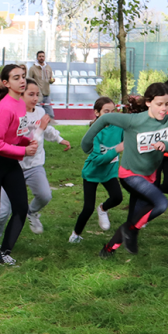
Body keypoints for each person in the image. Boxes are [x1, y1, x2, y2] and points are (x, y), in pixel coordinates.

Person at [81, 83, 168, 258]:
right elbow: (105, 119)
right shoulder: (133, 121)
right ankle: (131, 231)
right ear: (148, 103)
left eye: (167, 104)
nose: (164, 109)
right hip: (129, 175)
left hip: (150, 177)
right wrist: (86, 144)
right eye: (159, 104)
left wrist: (167, 145)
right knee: (161, 204)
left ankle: (108, 250)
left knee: (135, 219)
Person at [0, 79, 69, 250]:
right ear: (20, 95)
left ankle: (32, 212)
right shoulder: (14, 113)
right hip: (11, 167)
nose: (35, 98)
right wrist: (40, 129)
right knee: (3, 212)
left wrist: (60, 139)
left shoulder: (39, 112)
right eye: (30, 94)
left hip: (34, 165)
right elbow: (27, 142)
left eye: (37, 94)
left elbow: (47, 132)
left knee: (45, 195)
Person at [0, 64, 37, 265]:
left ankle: (4, 254)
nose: (22, 81)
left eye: (23, 77)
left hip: (11, 164)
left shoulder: (20, 104)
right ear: (5, 83)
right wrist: (23, 151)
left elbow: (16, 135)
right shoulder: (3, 108)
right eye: (16, 78)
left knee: (21, 208)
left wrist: (26, 141)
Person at [72, 97, 123, 243]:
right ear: (97, 113)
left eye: (113, 111)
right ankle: (75, 234)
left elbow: (130, 140)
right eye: (106, 112)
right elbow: (97, 160)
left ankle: (102, 208)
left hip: (109, 173)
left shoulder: (119, 128)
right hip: (92, 173)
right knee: (88, 208)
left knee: (117, 198)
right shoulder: (95, 134)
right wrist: (116, 150)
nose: (110, 115)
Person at [29, 51, 55, 116]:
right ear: (37, 58)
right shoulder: (33, 68)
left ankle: (49, 126)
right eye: (40, 56)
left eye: (43, 56)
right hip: (37, 95)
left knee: (50, 114)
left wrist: (51, 81)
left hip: (46, 93)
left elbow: (50, 79)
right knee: (39, 114)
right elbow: (29, 80)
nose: (41, 58)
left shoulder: (48, 67)